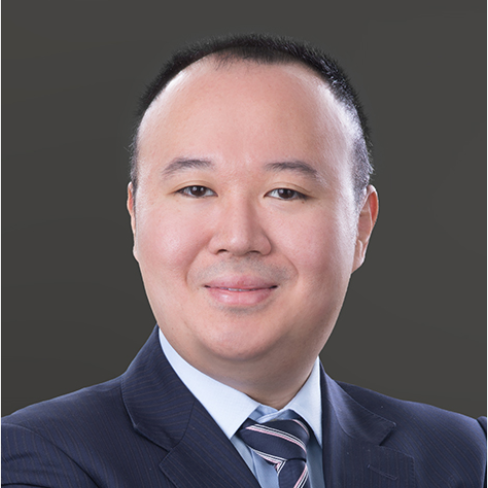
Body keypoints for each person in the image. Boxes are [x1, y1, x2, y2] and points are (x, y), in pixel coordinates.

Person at [0, 33, 486, 488]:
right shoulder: (38, 457)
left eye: (285, 192)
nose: (238, 238)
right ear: (135, 218)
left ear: (360, 226)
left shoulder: (466, 456)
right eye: (196, 189)